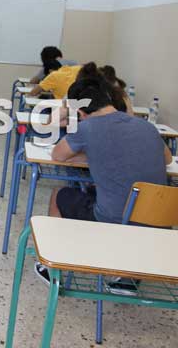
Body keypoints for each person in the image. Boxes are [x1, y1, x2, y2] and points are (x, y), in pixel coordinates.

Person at [34, 67, 172, 288]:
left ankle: (52, 267)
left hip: (114, 220)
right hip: (159, 222)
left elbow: (58, 155)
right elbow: (166, 159)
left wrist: (89, 155)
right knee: (101, 191)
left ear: (81, 112)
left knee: (59, 195)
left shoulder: (87, 128)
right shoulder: (146, 127)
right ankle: (127, 280)